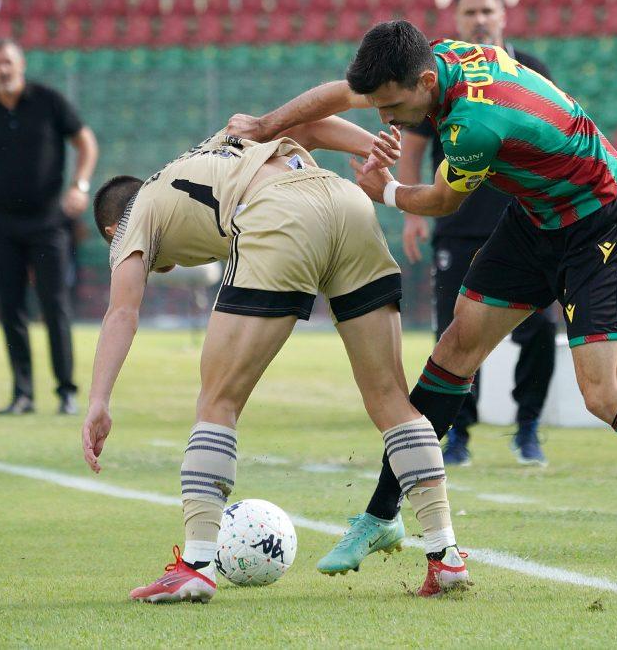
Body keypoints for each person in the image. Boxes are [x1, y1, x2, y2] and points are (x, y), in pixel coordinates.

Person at [225, 20, 617, 599]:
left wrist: (382, 190)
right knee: (454, 351)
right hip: (537, 217)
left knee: (605, 393)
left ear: (420, 81)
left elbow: (439, 200)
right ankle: (383, 513)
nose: (386, 119)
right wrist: (265, 125)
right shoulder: (428, 62)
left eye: (392, 107)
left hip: (599, 221)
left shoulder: (472, 126)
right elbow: (342, 92)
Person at [81, 116, 470, 602]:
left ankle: (198, 565)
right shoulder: (217, 147)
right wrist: (374, 145)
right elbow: (312, 123)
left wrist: (98, 400)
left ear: (112, 229)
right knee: (392, 399)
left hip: (279, 214)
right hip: (346, 202)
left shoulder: (129, 223)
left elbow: (122, 312)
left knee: (217, 402)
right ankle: (445, 553)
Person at [400, 0, 556, 467]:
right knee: (455, 331)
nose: (480, 19)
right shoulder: (439, 74)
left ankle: (528, 427)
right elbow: (414, 144)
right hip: (458, 223)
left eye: (487, 10)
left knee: (540, 327)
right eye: (470, 12)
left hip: (527, 222)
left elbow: (554, 132)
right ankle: (457, 435)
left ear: (504, 15)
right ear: (457, 19)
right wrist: (411, 211)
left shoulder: (530, 69)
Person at [0, 39, 98, 415]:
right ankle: (23, 393)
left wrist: (80, 185)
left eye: (8, 62)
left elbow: (86, 143)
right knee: (10, 308)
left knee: (54, 304)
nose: (2, 69)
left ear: (21, 64)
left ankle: (66, 391)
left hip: (49, 222)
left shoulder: (49, 102)